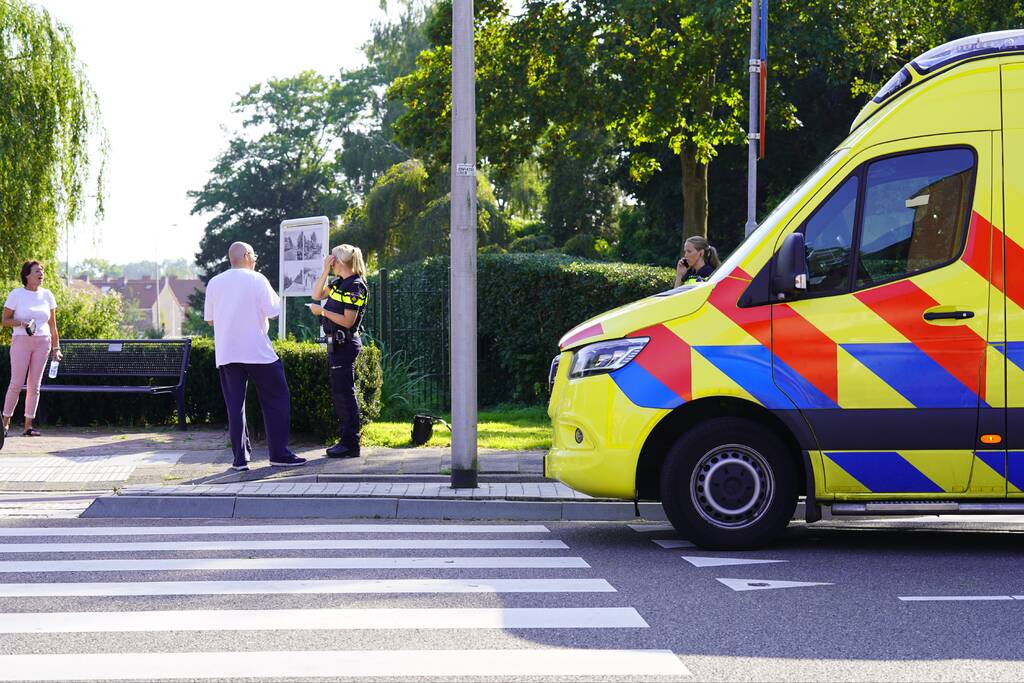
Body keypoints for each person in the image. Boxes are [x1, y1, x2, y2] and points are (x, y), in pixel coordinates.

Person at [204, 242, 306, 471]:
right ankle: (279, 454)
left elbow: (211, 320)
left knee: (235, 407)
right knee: (277, 398)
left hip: (228, 352)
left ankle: (240, 459)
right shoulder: (257, 279)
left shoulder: (215, 282)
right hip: (257, 350)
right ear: (248, 255)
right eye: (255, 255)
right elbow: (274, 311)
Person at [309, 244, 368, 458]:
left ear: (340, 261)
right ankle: (346, 440)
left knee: (345, 395)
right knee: (340, 394)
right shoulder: (340, 283)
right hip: (336, 344)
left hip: (345, 345)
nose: (329, 261)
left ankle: (351, 443)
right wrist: (324, 271)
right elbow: (316, 294)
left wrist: (322, 312)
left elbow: (348, 320)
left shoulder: (355, 286)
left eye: (331, 260)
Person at [2, 261, 61, 441]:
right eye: (37, 271)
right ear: (27, 275)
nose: (41, 273)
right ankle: (4, 424)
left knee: (34, 386)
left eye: (42, 271)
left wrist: (56, 348)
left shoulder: (48, 295)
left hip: (43, 342)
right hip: (21, 341)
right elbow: (4, 320)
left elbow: (52, 325)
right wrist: (21, 323)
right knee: (16, 383)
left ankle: (28, 426)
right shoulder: (17, 294)